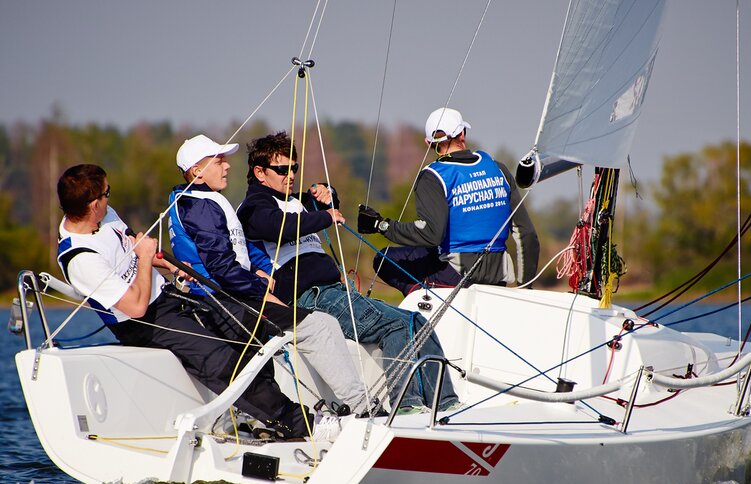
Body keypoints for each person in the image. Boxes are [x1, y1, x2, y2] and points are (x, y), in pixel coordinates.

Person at [56, 163, 309, 440]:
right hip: (143, 322)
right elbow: (136, 306)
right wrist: (144, 259)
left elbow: (133, 251)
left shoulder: (105, 217)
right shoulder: (80, 259)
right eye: (107, 194)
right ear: (93, 205)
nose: (109, 198)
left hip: (167, 296)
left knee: (246, 332)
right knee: (221, 361)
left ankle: (254, 416)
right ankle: (296, 422)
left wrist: (170, 266)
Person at [236, 132, 460, 413]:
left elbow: (328, 204)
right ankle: (406, 404)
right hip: (311, 296)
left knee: (417, 320)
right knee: (397, 325)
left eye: (294, 168)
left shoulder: (296, 201)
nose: (290, 175)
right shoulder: (253, 208)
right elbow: (275, 226)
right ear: (260, 173)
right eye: (282, 170)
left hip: (333, 292)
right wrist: (324, 217)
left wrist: (327, 193)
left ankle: (446, 404)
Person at [167, 134, 369, 415]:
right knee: (319, 326)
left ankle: (259, 417)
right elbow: (220, 267)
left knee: (304, 326)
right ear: (197, 170)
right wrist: (257, 283)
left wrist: (257, 269)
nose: (227, 167)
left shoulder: (201, 201)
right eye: (219, 161)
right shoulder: (201, 206)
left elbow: (231, 253)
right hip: (223, 300)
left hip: (229, 295)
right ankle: (363, 408)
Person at [358, 107, 540, 295]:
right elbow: (527, 234)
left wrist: (381, 226)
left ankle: (425, 300)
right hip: (498, 277)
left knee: (385, 258)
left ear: (428, 143)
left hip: (456, 276)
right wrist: (524, 290)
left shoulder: (433, 176)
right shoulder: (498, 169)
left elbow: (431, 234)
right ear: (462, 134)